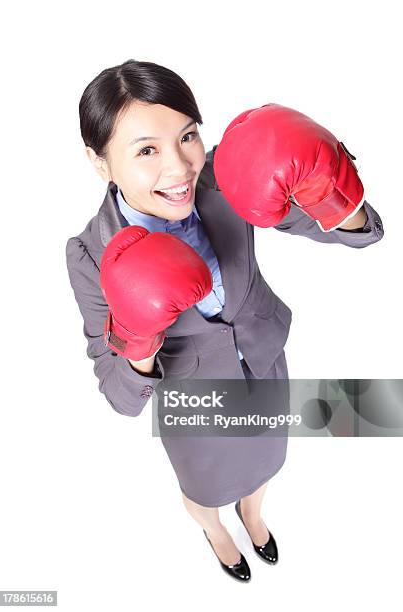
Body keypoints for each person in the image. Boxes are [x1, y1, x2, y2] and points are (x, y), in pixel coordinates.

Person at [66, 58, 384, 582]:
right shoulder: (89, 255)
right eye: (146, 150)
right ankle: (215, 530)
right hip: (193, 398)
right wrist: (139, 337)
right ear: (100, 162)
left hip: (264, 360)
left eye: (187, 136)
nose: (180, 167)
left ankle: (254, 517)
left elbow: (357, 230)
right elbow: (119, 396)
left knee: (265, 462)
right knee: (206, 486)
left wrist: (331, 185)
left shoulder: (224, 175)